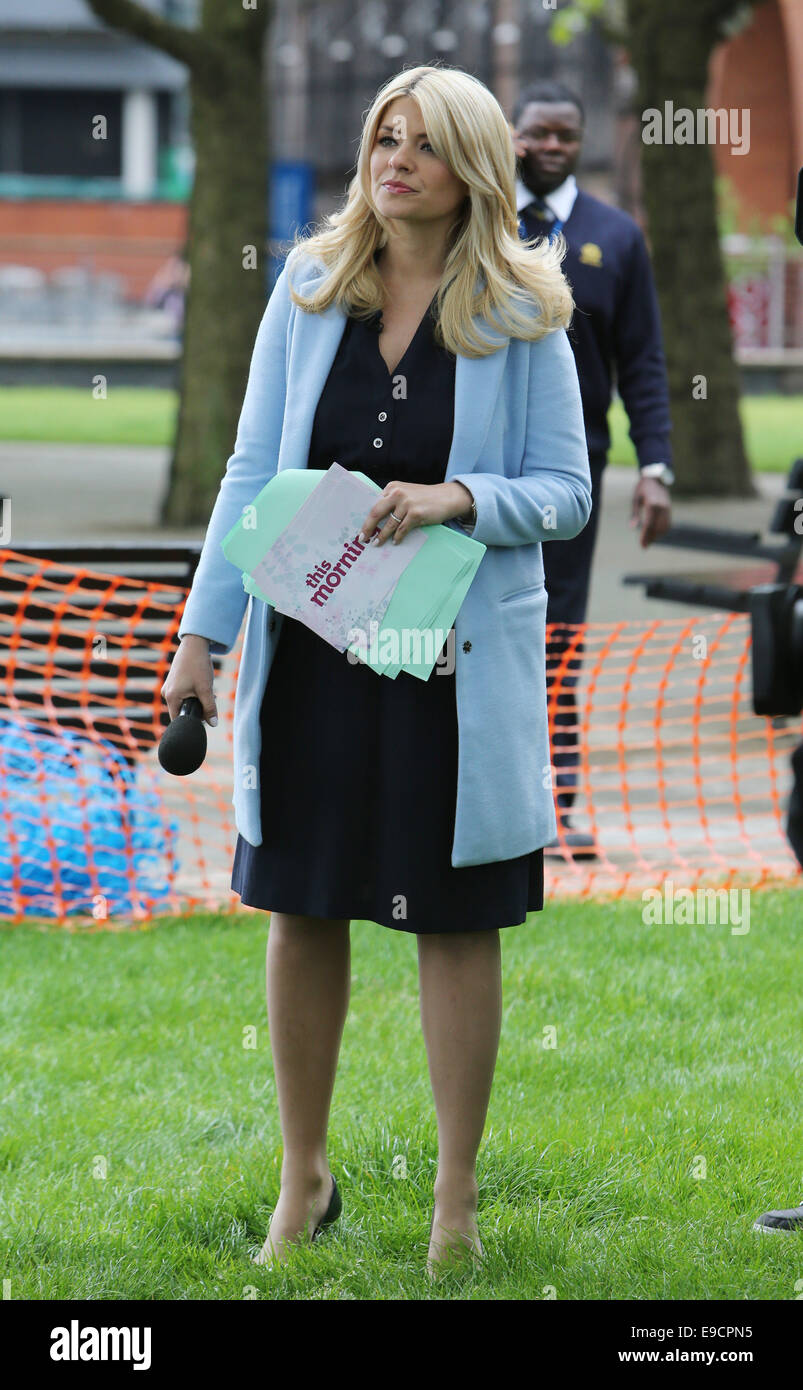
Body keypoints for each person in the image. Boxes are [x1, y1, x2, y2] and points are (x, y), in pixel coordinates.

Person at [161, 64, 591, 1279]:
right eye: (381, 138)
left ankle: (455, 1205)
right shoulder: (305, 290)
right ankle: (304, 1179)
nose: (391, 159)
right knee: (300, 907)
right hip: (311, 649)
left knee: (454, 921)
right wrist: (203, 637)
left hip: (448, 662)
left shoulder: (524, 308)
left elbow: (565, 492)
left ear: (472, 169)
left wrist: (461, 495)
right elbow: (249, 475)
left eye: (420, 144)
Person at [512, 80, 674, 858]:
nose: (549, 146)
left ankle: (552, 806)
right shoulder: (473, 222)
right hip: (468, 476)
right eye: (536, 132)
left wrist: (657, 468)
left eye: (563, 136)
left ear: (580, 142)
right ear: (511, 134)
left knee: (556, 632)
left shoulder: (616, 236)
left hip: (567, 484)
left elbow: (641, 361)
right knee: (447, 626)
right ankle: (451, 794)